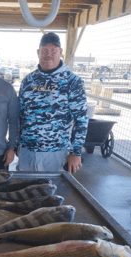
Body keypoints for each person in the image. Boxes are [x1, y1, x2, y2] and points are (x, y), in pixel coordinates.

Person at [18, 32, 88, 173]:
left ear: (60, 52)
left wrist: (76, 152)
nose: (48, 54)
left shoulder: (72, 82)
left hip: (56, 154)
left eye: (53, 50)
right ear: (38, 52)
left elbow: (81, 120)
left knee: (54, 193)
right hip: (27, 152)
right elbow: (19, 115)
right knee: (25, 192)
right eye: (44, 50)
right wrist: (15, 145)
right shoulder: (28, 81)